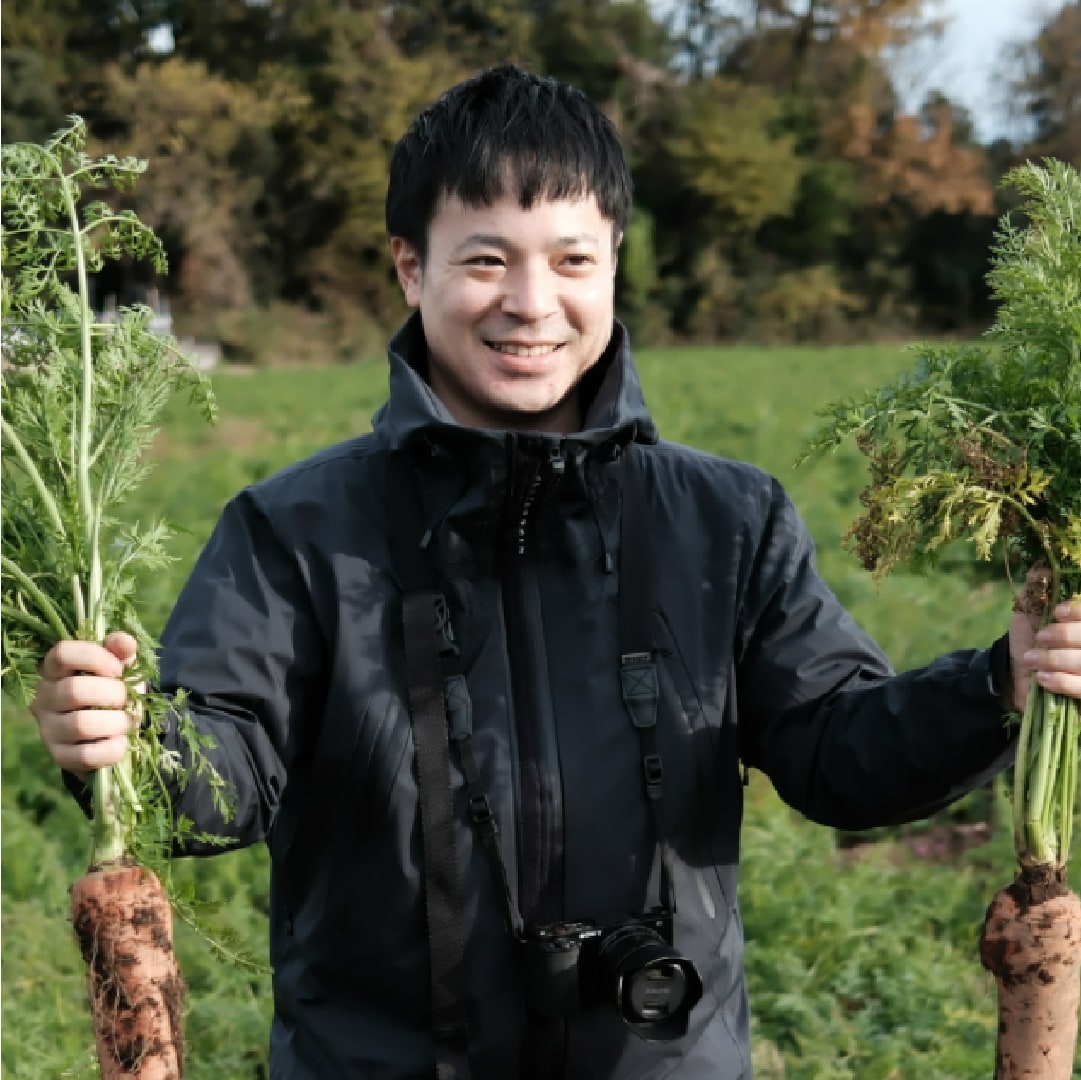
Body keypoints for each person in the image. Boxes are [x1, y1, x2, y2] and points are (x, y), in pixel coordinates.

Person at [31, 64, 1081, 1080]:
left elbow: (837, 752)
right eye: (486, 259)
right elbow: (228, 767)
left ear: (614, 261)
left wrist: (999, 683)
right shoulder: (297, 530)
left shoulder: (724, 519)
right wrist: (124, 745)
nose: (532, 303)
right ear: (410, 266)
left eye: (571, 261)